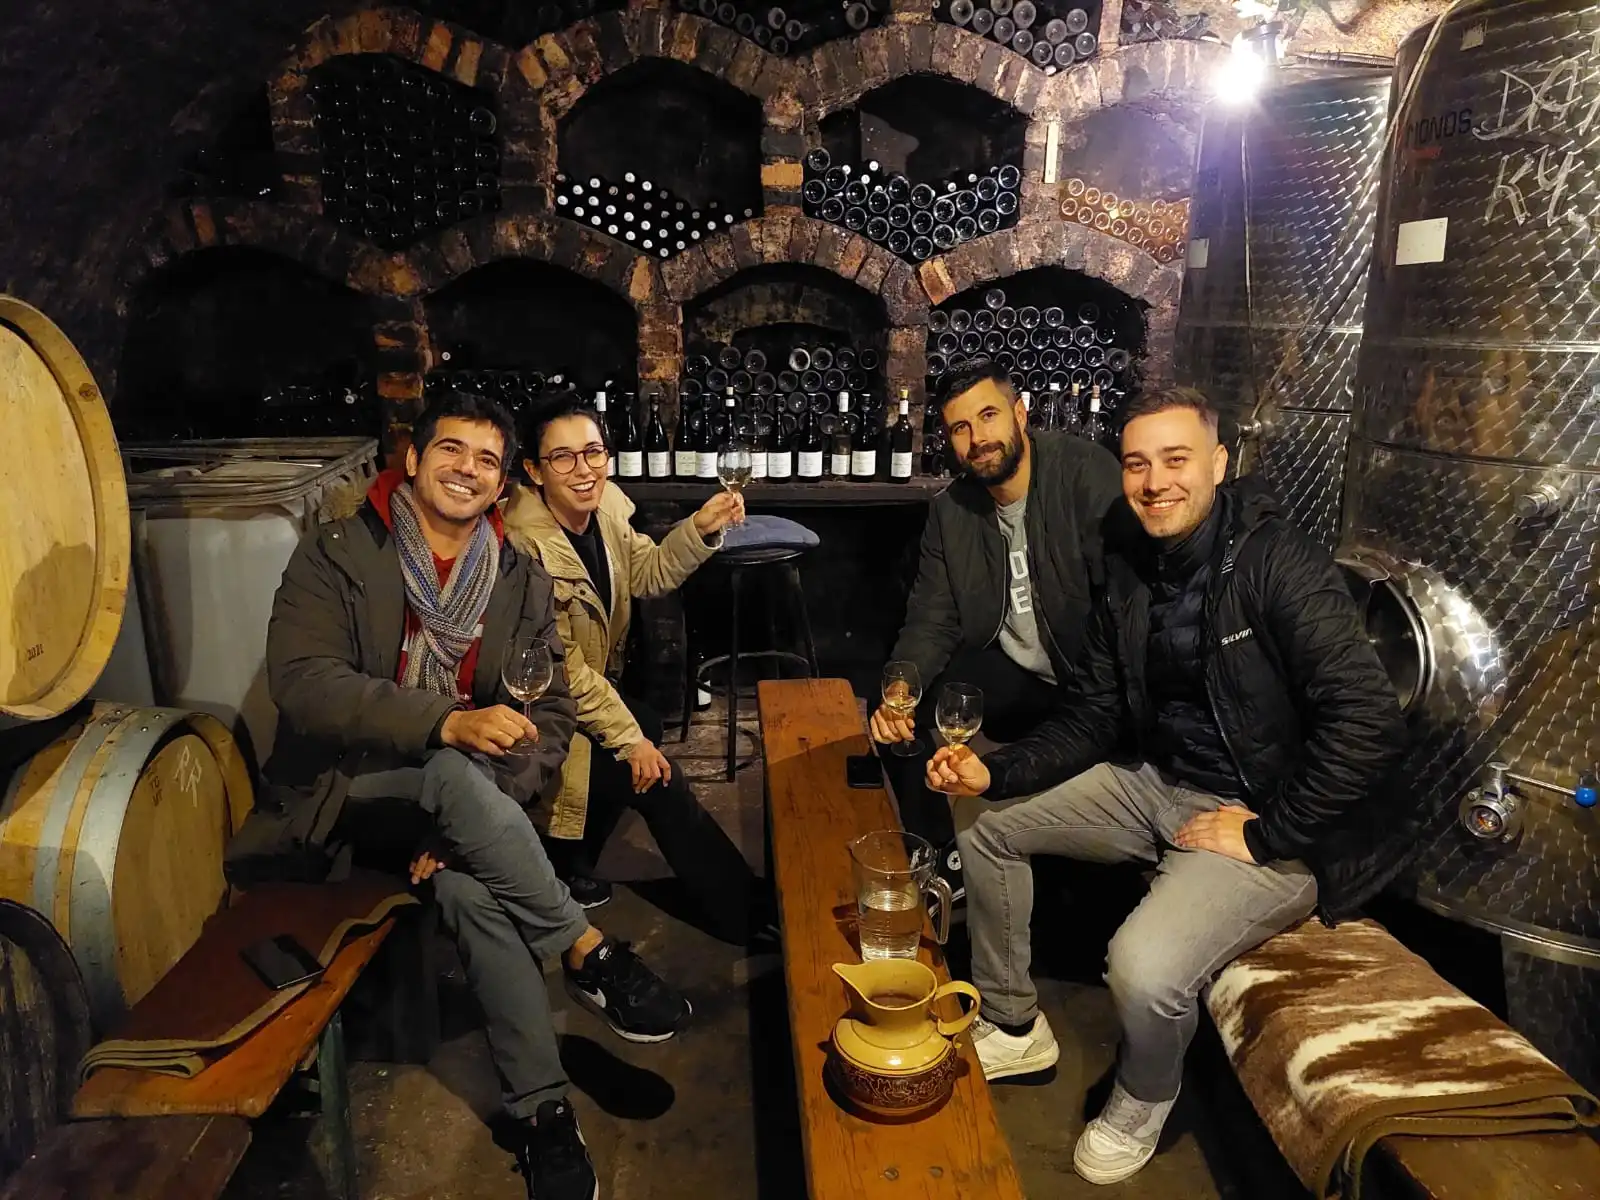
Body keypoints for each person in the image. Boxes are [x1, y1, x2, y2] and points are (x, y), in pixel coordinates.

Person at [930, 386, 1407, 1185]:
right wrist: (997, 768)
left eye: (1176, 460)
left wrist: (1265, 832)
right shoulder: (1131, 564)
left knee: (1143, 969)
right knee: (982, 817)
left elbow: (1370, 723)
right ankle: (1013, 1023)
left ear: (1218, 463)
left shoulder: (1275, 562)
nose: (1155, 482)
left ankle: (1145, 1094)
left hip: (1270, 818)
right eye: (1137, 464)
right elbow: (1095, 711)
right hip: (1158, 782)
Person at [245, 390, 689, 1200]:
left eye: (487, 459)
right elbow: (303, 685)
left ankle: (543, 1114)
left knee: (474, 889)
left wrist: (467, 825)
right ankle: (584, 948)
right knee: (450, 769)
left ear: (502, 484)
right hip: (341, 795)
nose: (467, 469)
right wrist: (445, 722)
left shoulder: (515, 574)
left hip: (462, 810)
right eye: (451, 449)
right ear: (413, 458)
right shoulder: (338, 553)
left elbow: (548, 714)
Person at [502, 392, 769, 940]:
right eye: (563, 457)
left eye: (593, 452)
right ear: (534, 470)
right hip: (537, 713)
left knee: (645, 723)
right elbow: (564, 670)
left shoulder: (605, 511)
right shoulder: (524, 548)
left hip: (581, 696)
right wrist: (629, 742)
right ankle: (745, 912)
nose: (584, 470)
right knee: (658, 778)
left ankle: (570, 863)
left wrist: (700, 526)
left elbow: (647, 573)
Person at [869, 361, 1123, 896]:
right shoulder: (952, 511)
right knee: (902, 707)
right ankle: (940, 855)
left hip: (1088, 683)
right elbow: (932, 617)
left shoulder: (1084, 474)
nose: (978, 438)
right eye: (961, 427)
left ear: (1020, 414)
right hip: (1020, 672)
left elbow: (1124, 603)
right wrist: (900, 691)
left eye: (988, 416)